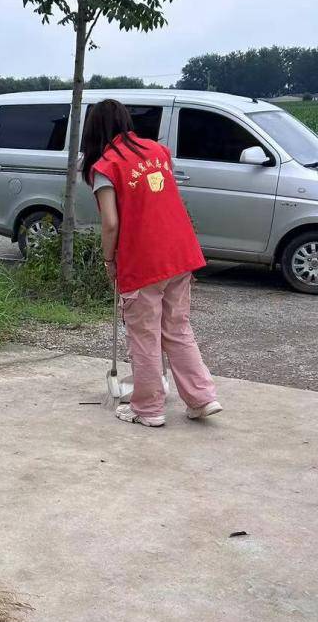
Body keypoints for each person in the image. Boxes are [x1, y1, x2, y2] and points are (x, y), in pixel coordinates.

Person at [81, 99, 223, 428]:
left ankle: (148, 409)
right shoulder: (158, 152)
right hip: (180, 253)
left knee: (144, 335)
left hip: (143, 261)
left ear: (93, 130)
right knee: (177, 329)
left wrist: (107, 260)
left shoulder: (105, 166)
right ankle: (202, 398)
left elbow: (111, 223)